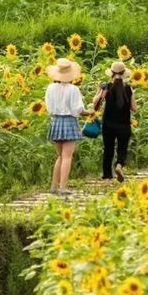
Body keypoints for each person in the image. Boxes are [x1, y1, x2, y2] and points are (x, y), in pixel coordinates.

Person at [45, 58, 93, 194]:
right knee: (67, 156)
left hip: (55, 121)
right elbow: (78, 109)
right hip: (69, 121)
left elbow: (48, 107)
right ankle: (62, 187)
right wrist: (89, 112)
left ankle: (54, 186)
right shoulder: (73, 89)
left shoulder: (50, 88)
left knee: (60, 156)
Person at [93, 61, 138, 182]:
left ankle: (107, 175)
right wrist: (132, 94)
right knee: (122, 148)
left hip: (108, 124)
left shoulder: (106, 87)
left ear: (111, 74)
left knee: (108, 148)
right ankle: (119, 165)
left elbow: (95, 105)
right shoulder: (128, 88)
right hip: (124, 124)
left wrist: (100, 91)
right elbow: (134, 108)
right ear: (124, 74)